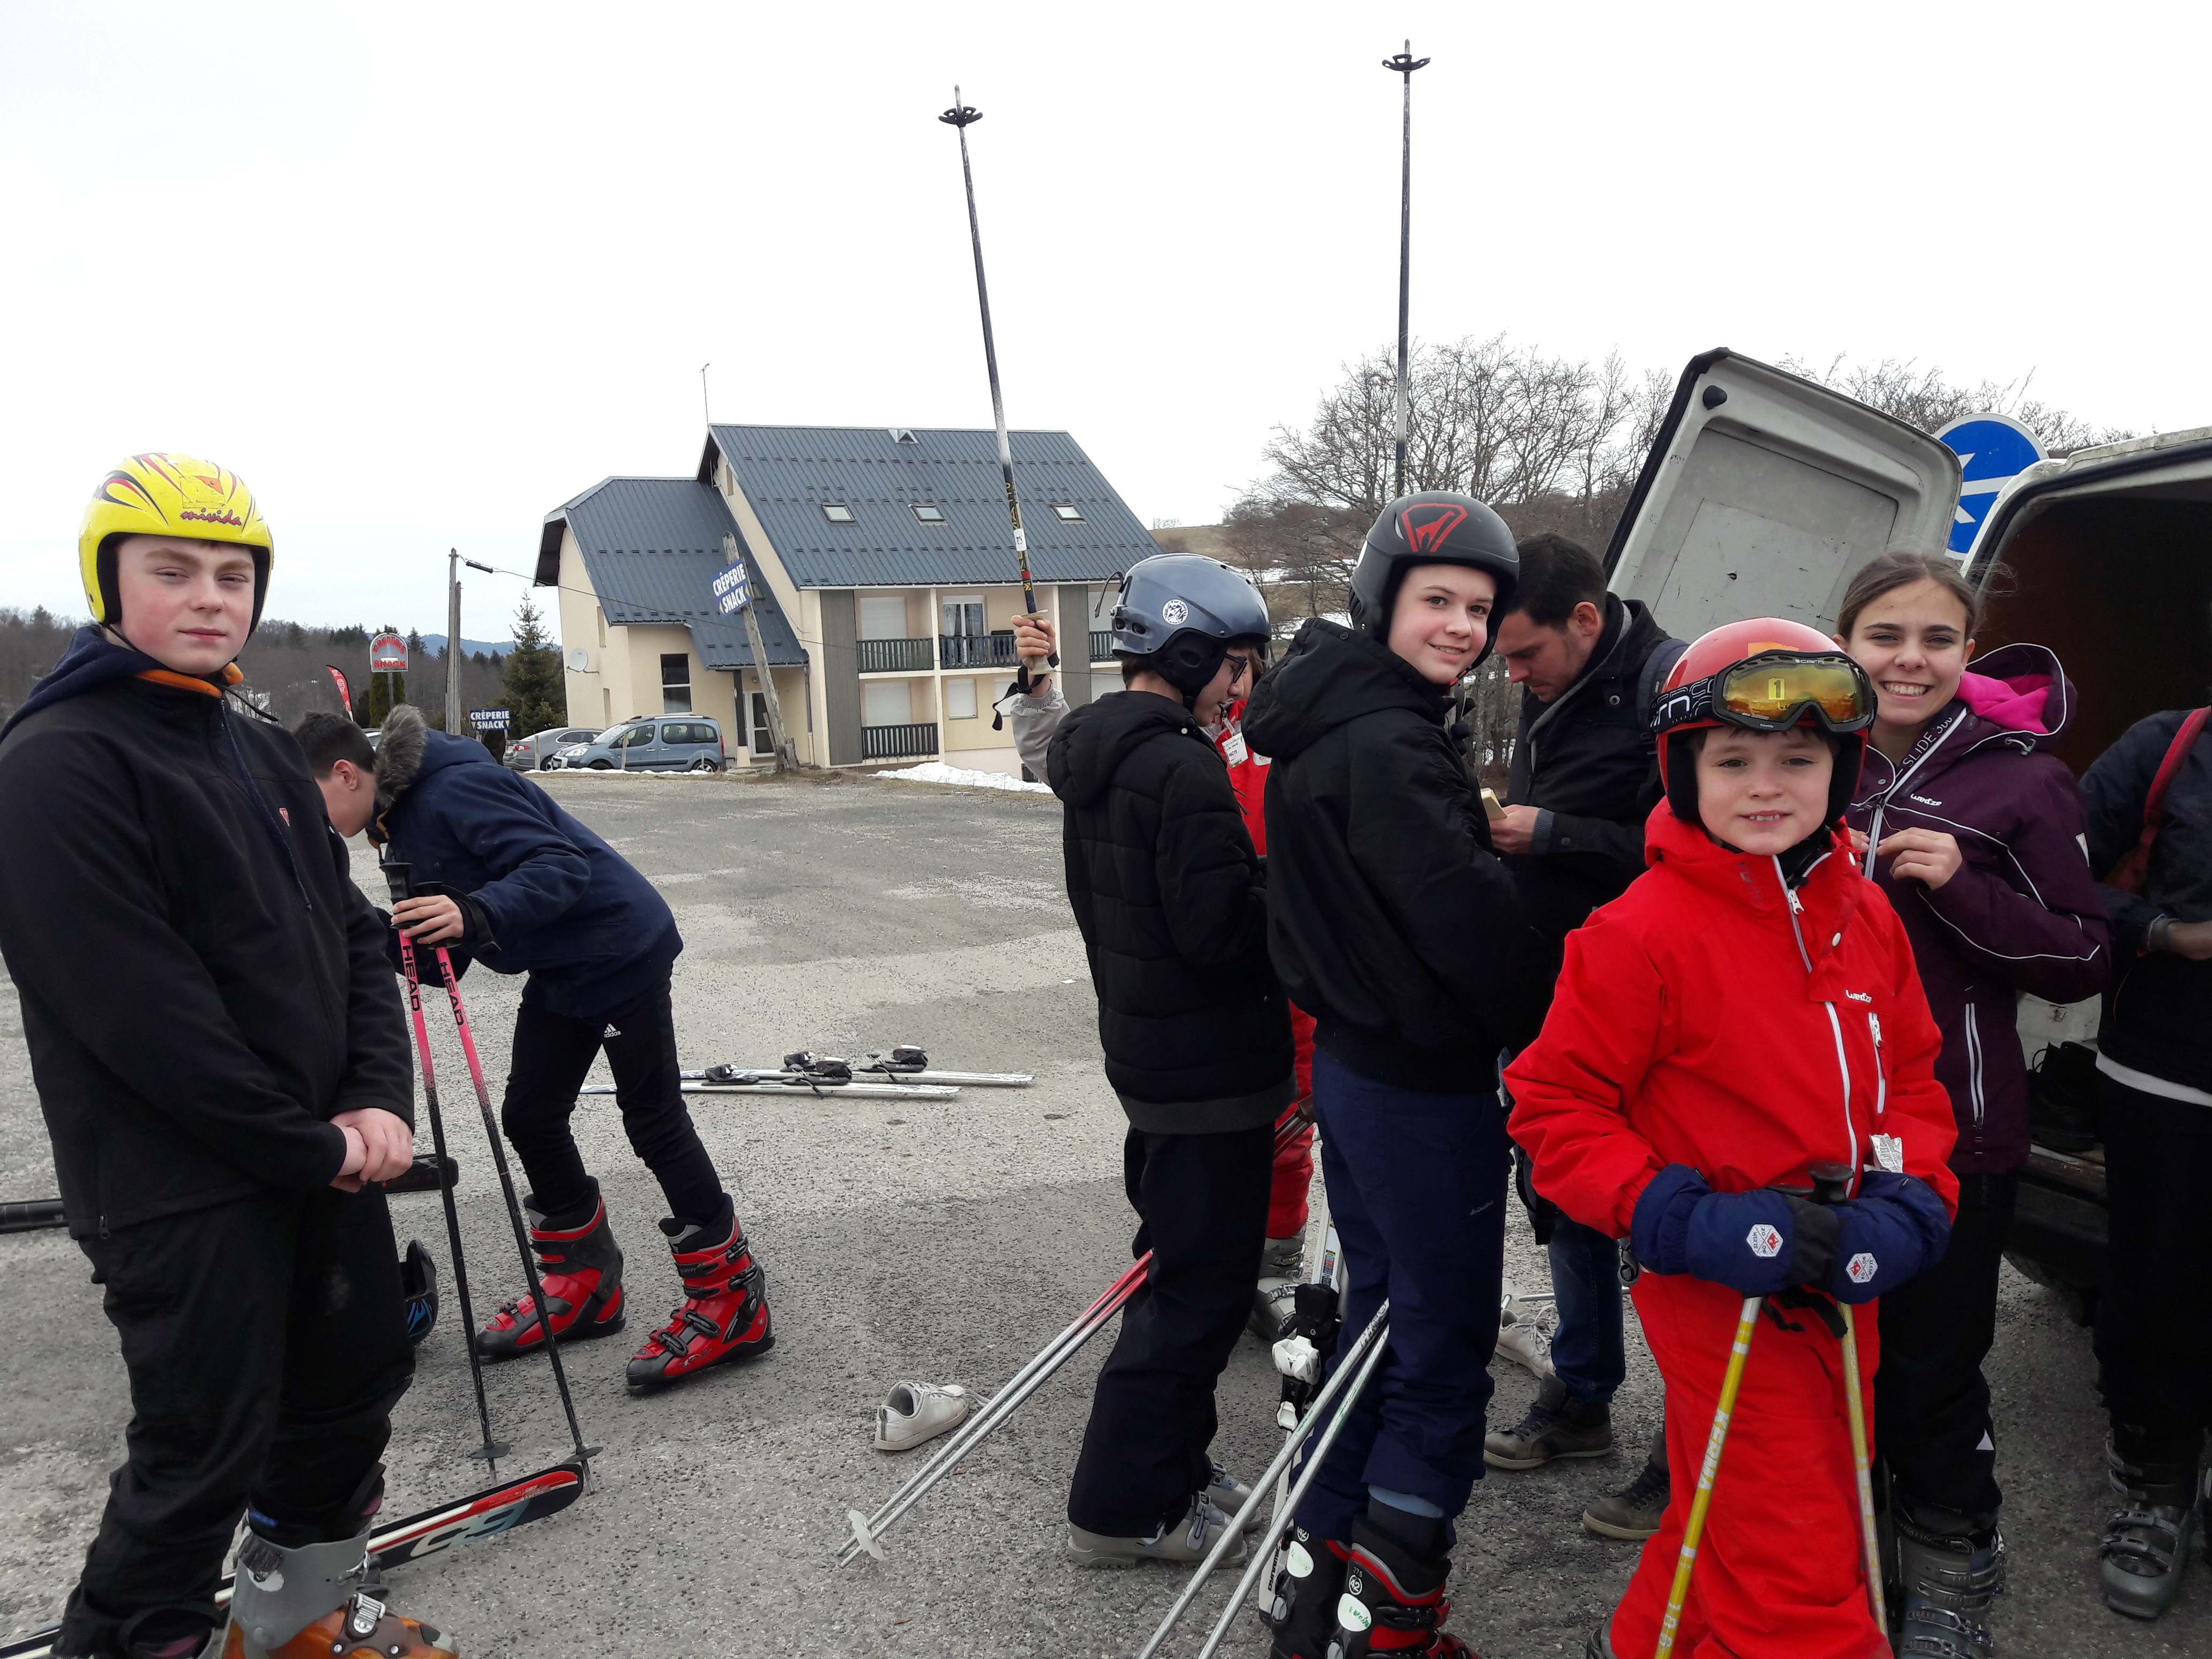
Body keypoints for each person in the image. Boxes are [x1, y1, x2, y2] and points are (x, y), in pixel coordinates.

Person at [0, 455, 450, 1659]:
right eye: (173, 571)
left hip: (323, 1156)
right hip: (181, 1181)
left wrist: (375, 1098)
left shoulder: (251, 744)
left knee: (352, 1385)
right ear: (108, 582)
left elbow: (350, 934)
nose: (209, 597)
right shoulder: (59, 760)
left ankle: (295, 1618)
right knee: (204, 1443)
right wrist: (304, 1143)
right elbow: (140, 1014)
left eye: (232, 575)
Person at [1506, 617, 1960, 1659]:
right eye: (1732, 761)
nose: (1766, 787)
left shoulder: (1866, 916)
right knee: (1797, 1554)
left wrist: (1914, 1198)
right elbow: (1553, 1105)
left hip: (1843, 1269)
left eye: (1797, 760)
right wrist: (1675, 1214)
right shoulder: (1640, 933)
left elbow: (1910, 1080)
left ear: (1839, 770)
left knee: (1750, 1491)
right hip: (1722, 1281)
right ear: (1683, 771)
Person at [1242, 492, 1541, 1659]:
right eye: (1438, 601)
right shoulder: (1389, 741)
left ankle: (1314, 1592)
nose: (1462, 626)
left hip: (1363, 1070)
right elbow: (1468, 928)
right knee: (1439, 1350)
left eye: (1479, 607)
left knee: (1377, 1326)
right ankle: (1390, 1628)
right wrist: (1552, 992)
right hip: (1420, 1085)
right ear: (1383, 604)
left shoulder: (1341, 713)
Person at [297, 704, 770, 1391]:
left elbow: (560, 864)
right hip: (563, 967)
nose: (309, 822)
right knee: (531, 1116)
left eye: (308, 801)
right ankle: (586, 1283)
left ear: (346, 774)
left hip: (617, 948)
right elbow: (440, 960)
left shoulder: (454, 788)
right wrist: (350, 927)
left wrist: (477, 910)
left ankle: (733, 1302)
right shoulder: (393, 828)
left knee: (654, 1122)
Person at [1828, 550, 2109, 1653]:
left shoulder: (2023, 779)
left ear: (1968, 653)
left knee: (1930, 1374)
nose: (1909, 660)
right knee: (1825, 1367)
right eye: (1884, 636)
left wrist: (1962, 887)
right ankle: (1837, 1564)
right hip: (1810, 1127)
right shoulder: (1807, 754)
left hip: (1955, 1128)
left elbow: (2083, 958)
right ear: (1843, 645)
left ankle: (1951, 1576)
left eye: (1936, 639)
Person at [1041, 554, 1294, 1568]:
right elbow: (1219, 933)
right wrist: (1290, 883)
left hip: (1154, 1059)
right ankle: (1124, 1508)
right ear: (1188, 655)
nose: (1240, 686)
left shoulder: (1099, 752)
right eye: (1234, 664)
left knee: (1181, 1269)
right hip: (1210, 1072)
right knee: (1196, 1297)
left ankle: (1177, 1465)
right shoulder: (1182, 767)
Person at [1009, 609, 1320, 1333]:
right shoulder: (1172, 742)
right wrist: (1039, 683)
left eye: (1248, 668)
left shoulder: (1278, 730)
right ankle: (1192, 1287)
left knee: (1291, 1128)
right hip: (1215, 968)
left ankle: (1270, 1264)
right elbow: (1073, 760)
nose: (1237, 685)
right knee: (1204, 1150)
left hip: (1286, 953)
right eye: (1230, 666)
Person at [1482, 532, 1683, 1543]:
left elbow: (1692, 844)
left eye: (1525, 654)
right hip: (1555, 995)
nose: (1514, 673)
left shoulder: (1669, 687)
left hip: (1650, 1008)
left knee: (1670, 1227)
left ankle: (1689, 1449)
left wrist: (1550, 833)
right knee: (1564, 1197)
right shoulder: (1553, 679)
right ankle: (1583, 1396)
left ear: (1587, 620)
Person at [2079, 678, 2212, 1620]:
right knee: (2157, 1284)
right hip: (2167, 1068)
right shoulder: (2169, 745)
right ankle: (2155, 1485)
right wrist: (2161, 933)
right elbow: (2051, 871)